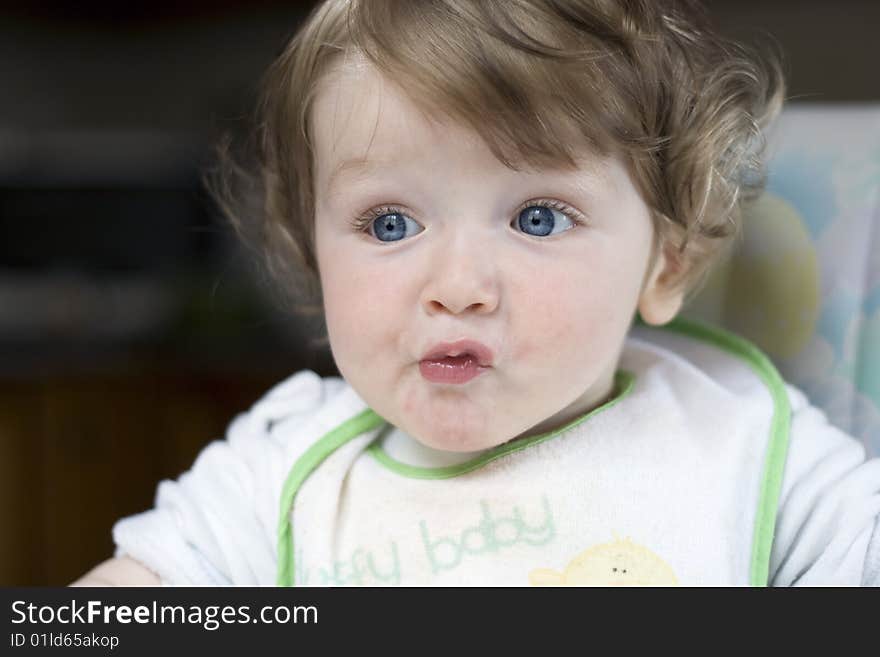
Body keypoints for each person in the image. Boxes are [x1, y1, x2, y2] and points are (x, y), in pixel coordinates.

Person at [73, 0, 880, 586]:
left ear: (666, 262)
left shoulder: (742, 439)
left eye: (537, 216)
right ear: (315, 261)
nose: (456, 288)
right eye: (390, 225)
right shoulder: (279, 471)